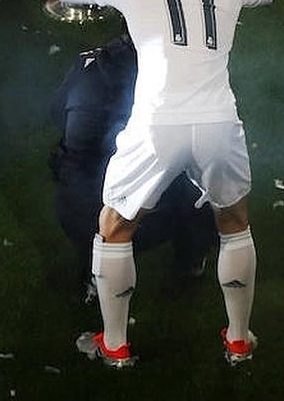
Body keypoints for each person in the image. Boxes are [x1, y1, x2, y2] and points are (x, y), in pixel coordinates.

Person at [56, 0, 274, 368]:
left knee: (114, 228)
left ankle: (115, 346)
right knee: (235, 225)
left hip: (156, 125)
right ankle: (238, 340)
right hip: (217, 121)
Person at [49, 33, 217, 300]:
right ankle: (191, 261)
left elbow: (57, 113)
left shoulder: (88, 63)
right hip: (131, 218)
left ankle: (94, 274)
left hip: (74, 209)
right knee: (206, 183)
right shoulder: (171, 80)